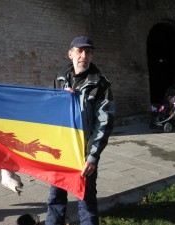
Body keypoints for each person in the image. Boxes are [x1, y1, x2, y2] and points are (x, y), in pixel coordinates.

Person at [45, 36, 115, 225]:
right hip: (60, 152)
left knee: (86, 202)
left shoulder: (101, 84)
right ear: (70, 54)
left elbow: (104, 122)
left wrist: (92, 157)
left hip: (83, 154)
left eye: (88, 52)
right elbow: (49, 111)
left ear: (91, 56)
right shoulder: (59, 78)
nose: (83, 55)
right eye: (79, 51)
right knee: (55, 199)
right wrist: (60, 100)